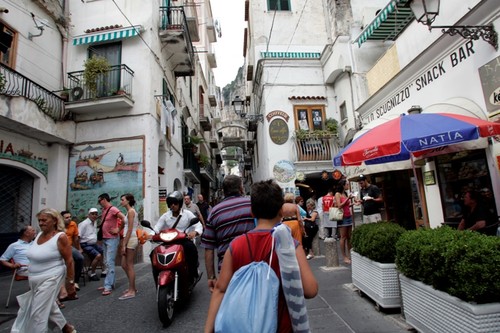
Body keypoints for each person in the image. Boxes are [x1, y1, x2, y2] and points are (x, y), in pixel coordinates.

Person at [204, 179, 318, 333]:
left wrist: (207, 330)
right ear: (281, 211)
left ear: (252, 212)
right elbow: (310, 290)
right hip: (282, 326)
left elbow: (220, 290)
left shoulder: (236, 246)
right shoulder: (289, 244)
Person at [11, 208, 76, 333]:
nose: (41, 223)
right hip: (34, 278)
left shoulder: (60, 237)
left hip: (51, 277)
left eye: (44, 220)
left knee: (38, 312)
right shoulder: (39, 235)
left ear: (55, 221)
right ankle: (67, 328)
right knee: (48, 306)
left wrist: (70, 282)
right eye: (39, 220)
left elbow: (69, 261)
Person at [201, 175, 254, 292]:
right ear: (241, 188)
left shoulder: (214, 212)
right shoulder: (252, 205)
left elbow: (209, 248)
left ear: (224, 191)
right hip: (253, 266)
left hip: (227, 270)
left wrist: (211, 277)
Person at [154, 191, 203, 283]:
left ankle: (193, 272)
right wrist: (150, 235)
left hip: (184, 240)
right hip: (169, 241)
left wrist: (195, 232)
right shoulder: (165, 216)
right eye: (170, 203)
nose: (173, 205)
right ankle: (158, 275)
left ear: (180, 204)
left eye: (175, 203)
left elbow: (198, 225)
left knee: (191, 249)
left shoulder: (187, 214)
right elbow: (156, 228)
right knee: (154, 253)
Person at [98, 193, 126, 296]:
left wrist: (118, 229)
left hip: (112, 239)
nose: (99, 203)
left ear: (104, 199)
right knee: (106, 261)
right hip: (105, 238)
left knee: (109, 262)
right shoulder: (104, 210)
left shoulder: (113, 209)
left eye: (99, 200)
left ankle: (107, 286)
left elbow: (124, 218)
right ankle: (110, 283)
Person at [119, 193, 139, 300]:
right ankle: (132, 287)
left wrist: (124, 244)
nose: (121, 201)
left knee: (129, 265)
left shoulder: (131, 211)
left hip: (131, 239)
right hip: (128, 239)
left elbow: (130, 228)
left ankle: (132, 290)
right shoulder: (129, 212)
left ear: (128, 201)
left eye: (122, 200)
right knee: (123, 264)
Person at [61, 211, 84, 292]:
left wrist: (79, 248)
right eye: (66, 218)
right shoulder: (58, 226)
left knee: (80, 258)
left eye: (70, 217)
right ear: (62, 219)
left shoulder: (73, 224)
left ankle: (75, 281)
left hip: (69, 247)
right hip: (60, 247)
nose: (69, 219)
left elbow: (76, 238)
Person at [79, 208, 104, 281]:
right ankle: (92, 273)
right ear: (88, 215)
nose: (94, 216)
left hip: (93, 244)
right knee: (98, 255)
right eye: (92, 214)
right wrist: (79, 248)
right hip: (85, 244)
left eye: (96, 214)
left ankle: (103, 269)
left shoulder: (95, 222)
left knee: (103, 250)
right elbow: (78, 236)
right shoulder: (83, 224)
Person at [334, 180, 354, 264]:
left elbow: (345, 205)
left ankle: (350, 255)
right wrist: (348, 199)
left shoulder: (345, 194)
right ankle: (344, 256)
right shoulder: (337, 194)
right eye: (346, 184)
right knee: (343, 237)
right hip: (342, 217)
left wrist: (352, 204)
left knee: (349, 236)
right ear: (342, 185)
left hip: (348, 215)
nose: (347, 186)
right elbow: (339, 205)